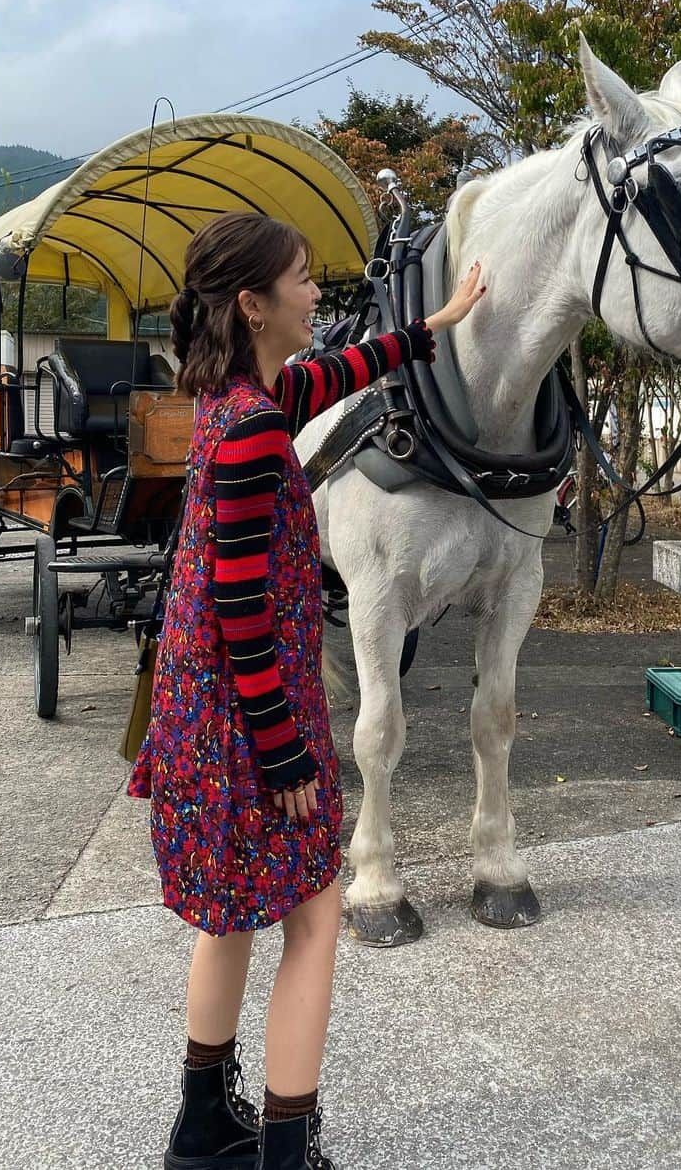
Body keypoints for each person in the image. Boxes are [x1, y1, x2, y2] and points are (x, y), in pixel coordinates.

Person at [128, 211, 484, 1170]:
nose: (316, 291)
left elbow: (334, 375)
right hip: (250, 723)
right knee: (317, 916)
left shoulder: (233, 399)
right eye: (300, 279)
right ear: (253, 302)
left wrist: (436, 322)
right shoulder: (251, 431)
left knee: (232, 915)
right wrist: (287, 750)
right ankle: (288, 1145)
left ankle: (202, 1129)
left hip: (206, 718)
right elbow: (242, 612)